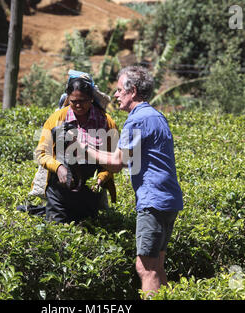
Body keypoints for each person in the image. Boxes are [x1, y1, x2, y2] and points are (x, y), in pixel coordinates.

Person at [74, 66, 183, 298]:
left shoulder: (138, 120)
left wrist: (83, 147)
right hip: (168, 200)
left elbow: (117, 162)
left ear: (132, 91)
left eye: (118, 89)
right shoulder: (156, 115)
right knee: (157, 266)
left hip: (153, 202)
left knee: (145, 269)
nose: (115, 95)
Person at [34, 76, 119, 224]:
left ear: (91, 98)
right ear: (68, 98)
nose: (78, 105)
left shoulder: (106, 122)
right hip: (59, 193)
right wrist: (59, 167)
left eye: (83, 101)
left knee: (87, 231)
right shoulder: (57, 118)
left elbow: (115, 159)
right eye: (74, 101)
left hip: (90, 194)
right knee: (56, 231)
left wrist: (101, 178)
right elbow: (41, 153)